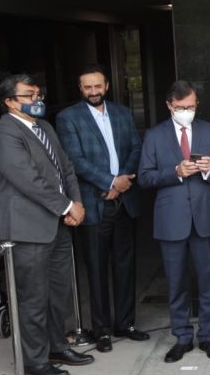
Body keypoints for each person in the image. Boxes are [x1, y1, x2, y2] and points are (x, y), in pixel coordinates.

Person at [0, 74, 93, 375]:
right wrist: (67, 206)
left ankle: (57, 346)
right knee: (33, 298)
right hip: (27, 230)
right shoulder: (4, 133)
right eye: (28, 96)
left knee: (58, 293)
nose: (37, 100)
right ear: (9, 101)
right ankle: (35, 361)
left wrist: (77, 203)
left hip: (58, 225)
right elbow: (28, 181)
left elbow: (66, 167)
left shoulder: (45, 127)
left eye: (38, 94)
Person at [56, 64, 149, 353]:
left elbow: (136, 147)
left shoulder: (122, 113)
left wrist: (122, 182)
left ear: (106, 85)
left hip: (123, 201)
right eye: (87, 87)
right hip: (94, 203)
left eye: (98, 86)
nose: (93, 92)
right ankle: (102, 330)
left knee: (124, 264)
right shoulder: (68, 118)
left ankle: (126, 323)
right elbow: (74, 160)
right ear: (80, 89)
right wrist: (110, 182)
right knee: (96, 268)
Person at [138, 80, 210, 363]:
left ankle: (207, 336)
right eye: (180, 108)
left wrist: (208, 171)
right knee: (176, 282)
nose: (186, 111)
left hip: (206, 216)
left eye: (190, 106)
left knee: (208, 280)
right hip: (171, 219)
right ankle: (182, 337)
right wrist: (175, 171)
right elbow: (144, 177)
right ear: (169, 106)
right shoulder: (154, 136)